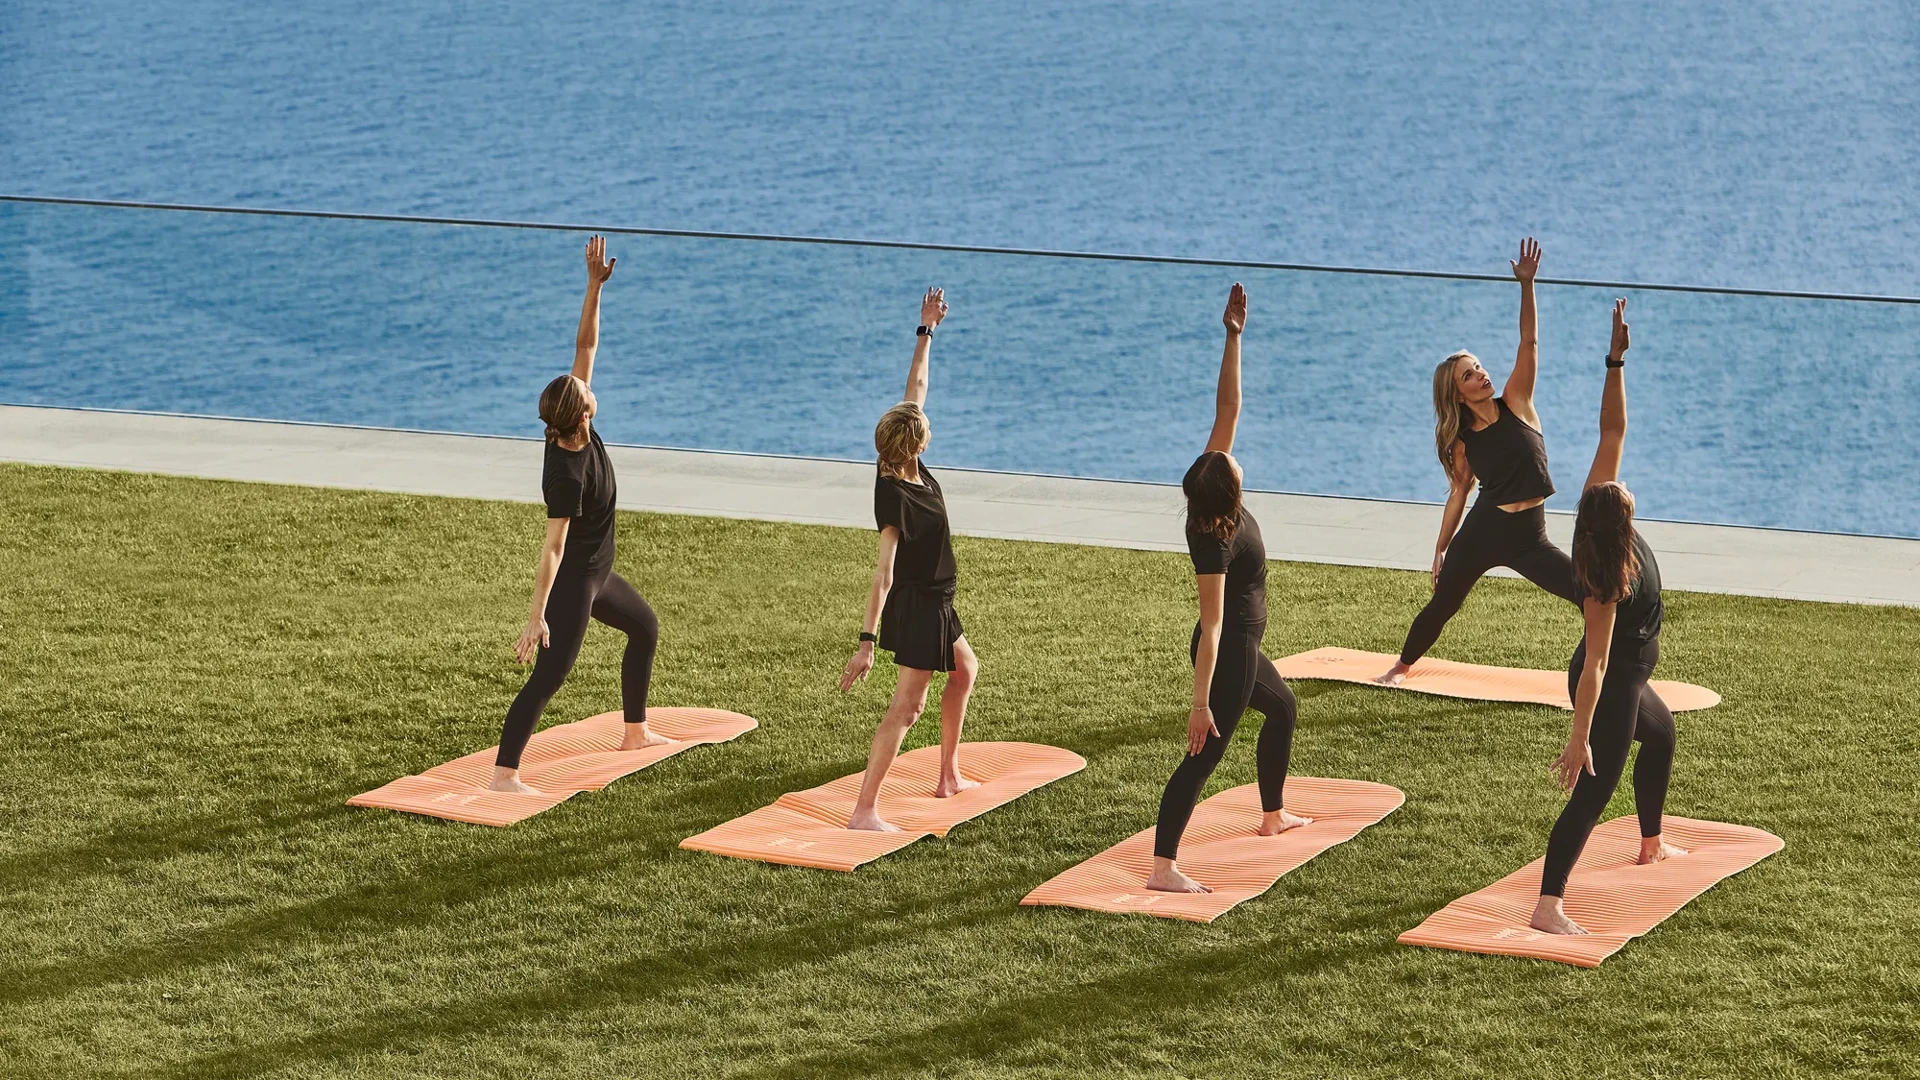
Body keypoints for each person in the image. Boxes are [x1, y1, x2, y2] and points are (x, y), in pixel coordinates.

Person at [1146, 283, 1311, 895]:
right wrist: (1199, 703)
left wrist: (1233, 335)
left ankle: (1271, 816)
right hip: (1228, 650)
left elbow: (1228, 409)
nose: (1236, 458)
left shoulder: (1213, 491)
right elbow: (1211, 625)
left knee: (1285, 709)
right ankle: (1164, 866)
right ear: (1228, 492)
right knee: (1203, 755)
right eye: (1234, 465)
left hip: (1238, 644)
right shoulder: (1213, 541)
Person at [1531, 299, 1685, 935]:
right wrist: (1577, 737)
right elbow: (1594, 665)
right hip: (1607, 688)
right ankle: (1549, 905)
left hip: (1629, 679)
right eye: (1620, 494)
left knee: (1666, 736)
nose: (1621, 484)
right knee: (1593, 789)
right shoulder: (1605, 580)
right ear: (1621, 523)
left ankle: (1650, 842)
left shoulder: (1598, 512)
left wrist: (1615, 357)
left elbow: (1611, 432)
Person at [491, 236, 666, 795]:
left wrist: (593, 287)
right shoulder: (566, 475)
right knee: (549, 677)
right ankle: (504, 775)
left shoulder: (573, 423)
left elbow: (585, 346)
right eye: (584, 391)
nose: (589, 384)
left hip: (598, 572)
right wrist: (536, 614)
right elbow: (553, 550)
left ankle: (635, 731)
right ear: (581, 413)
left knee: (644, 628)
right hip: (574, 582)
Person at [1377, 239, 1580, 686]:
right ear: (1457, 393)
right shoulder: (1462, 440)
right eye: (1468, 374)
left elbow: (1529, 340)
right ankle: (1400, 666)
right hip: (1485, 532)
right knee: (1444, 604)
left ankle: (1604, 671)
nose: (1481, 374)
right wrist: (1441, 546)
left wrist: (1527, 285)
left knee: (1587, 594)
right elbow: (1459, 491)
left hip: (1530, 537)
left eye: (1479, 367)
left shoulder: (1519, 403)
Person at [836, 287, 981, 832]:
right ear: (915, 445)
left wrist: (926, 330)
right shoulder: (893, 494)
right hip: (918, 606)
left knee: (965, 670)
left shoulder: (907, 462)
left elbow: (915, 388)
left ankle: (947, 774)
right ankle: (864, 808)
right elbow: (883, 574)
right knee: (907, 707)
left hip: (940, 601)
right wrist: (866, 643)